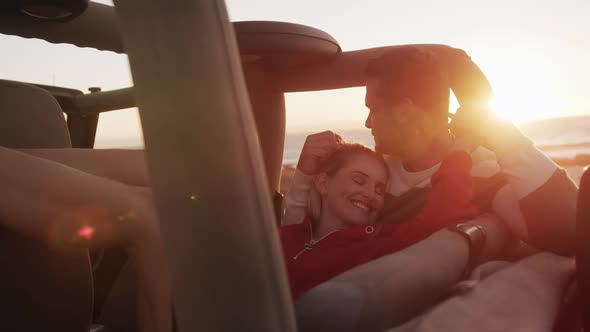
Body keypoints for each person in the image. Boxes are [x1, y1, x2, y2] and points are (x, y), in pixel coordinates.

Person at [285, 46, 578, 256]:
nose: (367, 122)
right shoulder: (376, 170)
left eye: (373, 109)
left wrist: (504, 136)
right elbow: (306, 242)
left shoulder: (479, 172)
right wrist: (303, 179)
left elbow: (569, 235)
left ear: (404, 111)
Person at [280, 143, 479, 300]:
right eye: (359, 180)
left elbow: (442, 215)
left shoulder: (377, 245)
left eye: (379, 190)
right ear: (323, 183)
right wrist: (303, 174)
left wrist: (458, 155)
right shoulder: (285, 235)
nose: (370, 194)